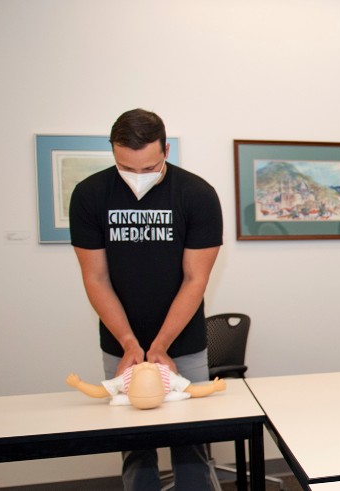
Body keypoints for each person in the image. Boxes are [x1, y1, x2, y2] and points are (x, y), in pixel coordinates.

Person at [70, 108, 224, 490]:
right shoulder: (90, 194)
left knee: (191, 446)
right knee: (135, 446)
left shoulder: (197, 195)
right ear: (113, 153)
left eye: (148, 167)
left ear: (166, 150)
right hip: (119, 343)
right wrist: (129, 343)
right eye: (127, 167)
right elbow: (96, 277)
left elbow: (195, 279)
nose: (138, 177)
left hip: (182, 343)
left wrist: (160, 347)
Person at [66, 362, 228, 409]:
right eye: (149, 369)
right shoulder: (169, 378)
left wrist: (79, 384)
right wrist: (213, 388)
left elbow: (99, 392)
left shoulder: (125, 380)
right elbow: (193, 390)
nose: (145, 365)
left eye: (141, 370)